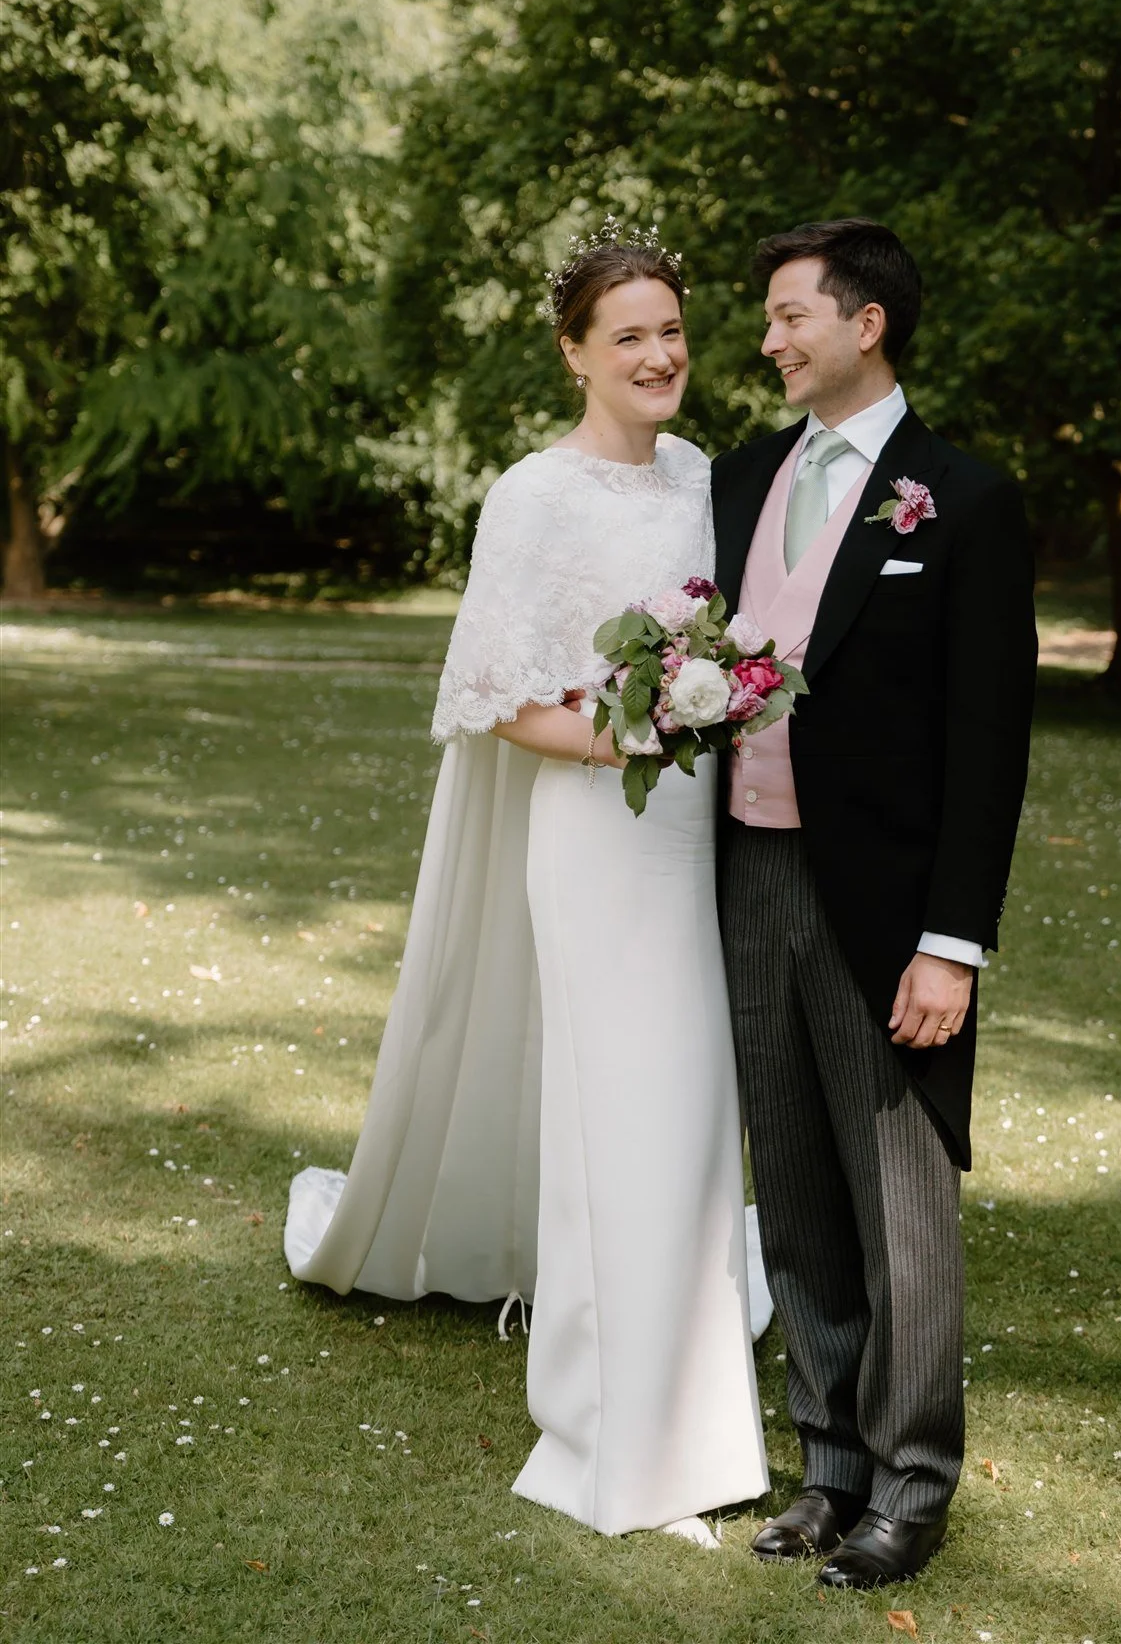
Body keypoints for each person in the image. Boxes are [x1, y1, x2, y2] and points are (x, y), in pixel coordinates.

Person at [285, 227, 768, 1546]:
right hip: (597, 834)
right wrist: (642, 733)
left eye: (672, 330)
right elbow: (494, 698)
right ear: (574, 354)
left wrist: (717, 701)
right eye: (629, 336)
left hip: (701, 832)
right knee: (615, 1106)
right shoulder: (532, 496)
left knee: (691, 1110)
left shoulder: (705, 477)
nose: (659, 355)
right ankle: (605, 1425)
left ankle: (690, 1396)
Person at [712, 218, 1037, 1589]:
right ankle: (828, 1467)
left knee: (900, 1203)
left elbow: (989, 742)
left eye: (790, 315)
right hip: (743, 873)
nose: (768, 341)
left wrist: (950, 945)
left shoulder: (962, 500)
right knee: (791, 1187)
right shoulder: (738, 480)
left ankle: (911, 1485)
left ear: (866, 324)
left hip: (889, 907)